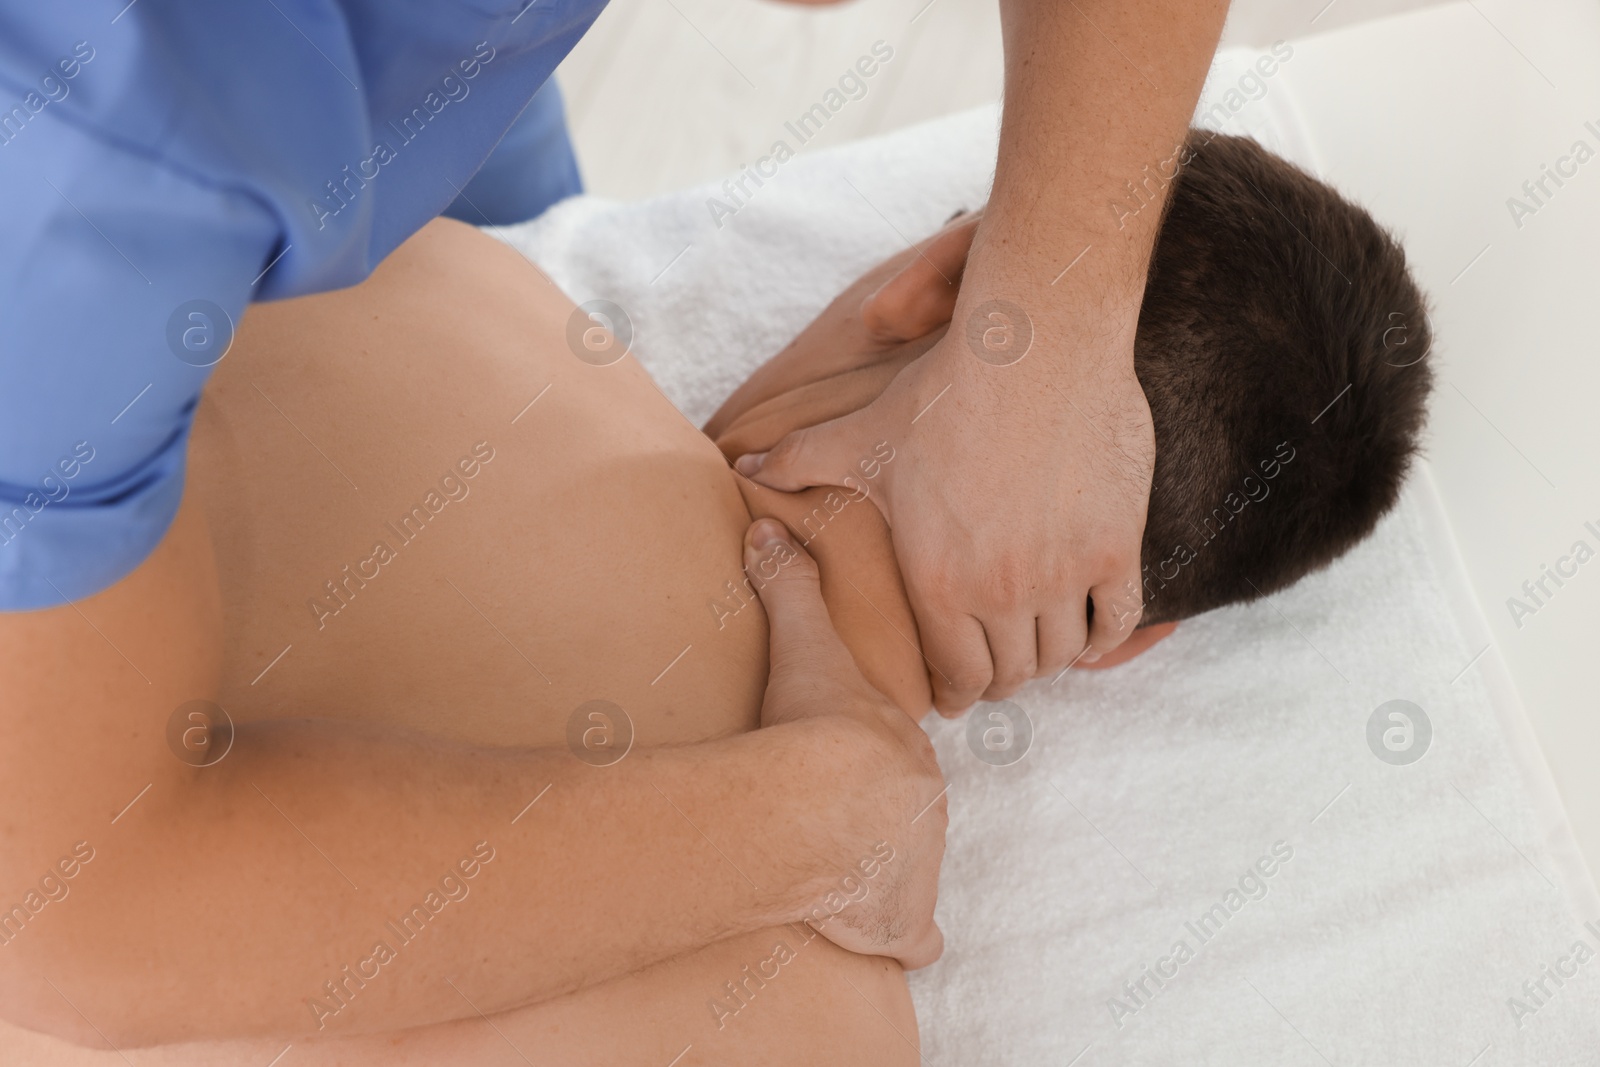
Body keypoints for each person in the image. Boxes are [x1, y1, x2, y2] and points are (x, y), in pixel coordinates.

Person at [0, 129, 1430, 1063]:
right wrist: (829, 815)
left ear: (927, 285)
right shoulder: (838, 1029)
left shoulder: (427, 284)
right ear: (1132, 644)